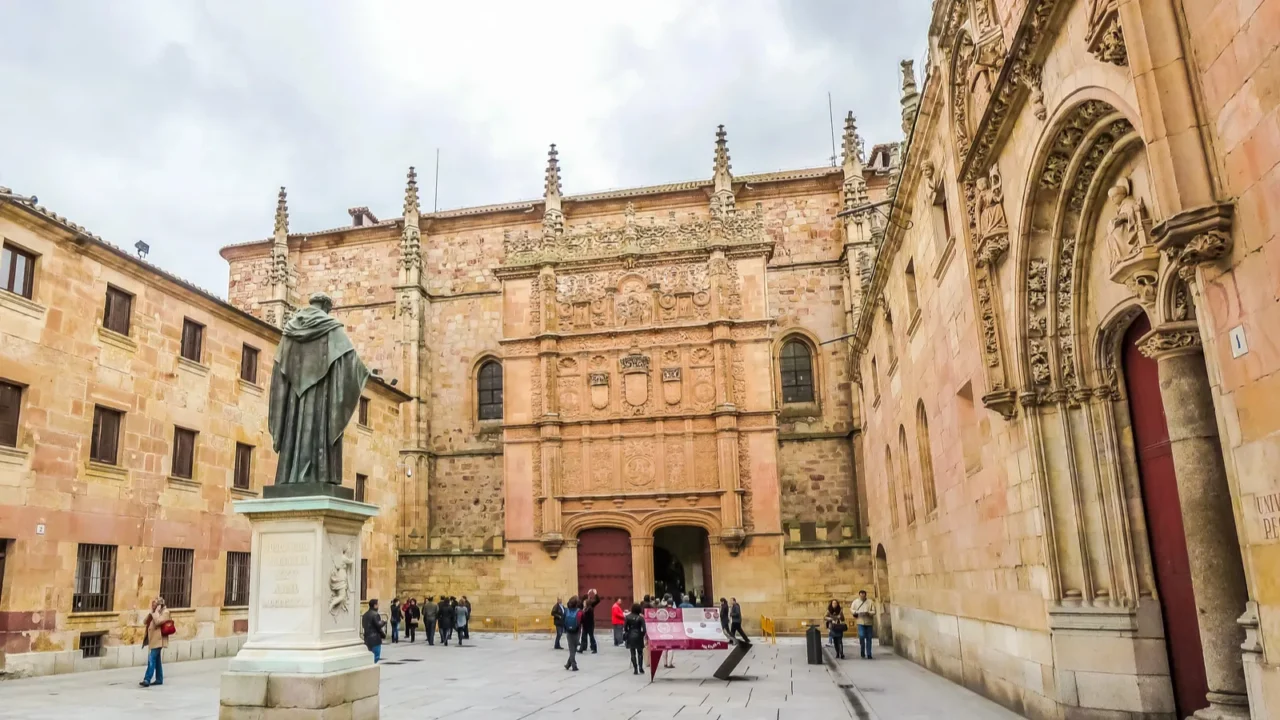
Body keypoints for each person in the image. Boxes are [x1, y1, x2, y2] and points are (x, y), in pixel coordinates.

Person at [139, 597, 171, 688]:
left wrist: (156, 612)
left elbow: (158, 622)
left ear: (159, 605)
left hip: (159, 640)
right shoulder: (154, 613)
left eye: (155, 604)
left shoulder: (165, 612)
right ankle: (159, 679)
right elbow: (145, 622)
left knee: (151, 658)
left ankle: (147, 679)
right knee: (157, 660)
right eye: (152, 604)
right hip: (153, 640)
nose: (153, 606)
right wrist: (151, 612)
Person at [851, 590, 876, 659]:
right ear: (859, 595)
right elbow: (852, 610)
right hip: (860, 621)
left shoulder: (870, 602)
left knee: (869, 638)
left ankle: (869, 653)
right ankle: (862, 650)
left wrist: (868, 613)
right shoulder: (855, 602)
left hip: (869, 622)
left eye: (863, 595)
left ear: (865, 595)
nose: (862, 596)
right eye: (861, 595)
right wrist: (857, 612)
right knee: (861, 636)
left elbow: (874, 611)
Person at [624, 602, 647, 675]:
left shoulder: (627, 617)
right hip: (638, 635)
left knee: (632, 653)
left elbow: (625, 628)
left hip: (630, 635)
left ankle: (635, 669)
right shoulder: (640, 618)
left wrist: (628, 632)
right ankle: (641, 667)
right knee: (640, 653)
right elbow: (644, 629)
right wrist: (642, 635)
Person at [563, 595, 583, 671]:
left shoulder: (566, 611)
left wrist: (565, 629)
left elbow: (563, 621)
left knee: (572, 649)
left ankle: (568, 664)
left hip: (568, 632)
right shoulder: (579, 612)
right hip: (577, 632)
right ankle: (574, 665)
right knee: (573, 649)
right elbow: (582, 621)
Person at [362, 599, 386, 663]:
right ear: (375, 605)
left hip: (367, 638)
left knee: (369, 656)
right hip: (375, 638)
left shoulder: (365, 615)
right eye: (378, 604)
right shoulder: (375, 614)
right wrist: (383, 622)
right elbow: (378, 625)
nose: (378, 606)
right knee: (376, 656)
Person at [578, 589, 600, 654]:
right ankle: (582, 648)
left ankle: (594, 648)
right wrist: (587, 593)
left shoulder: (589, 608)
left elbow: (597, 601)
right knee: (583, 637)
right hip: (585, 625)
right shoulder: (583, 606)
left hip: (589, 625)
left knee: (591, 637)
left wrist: (595, 594)